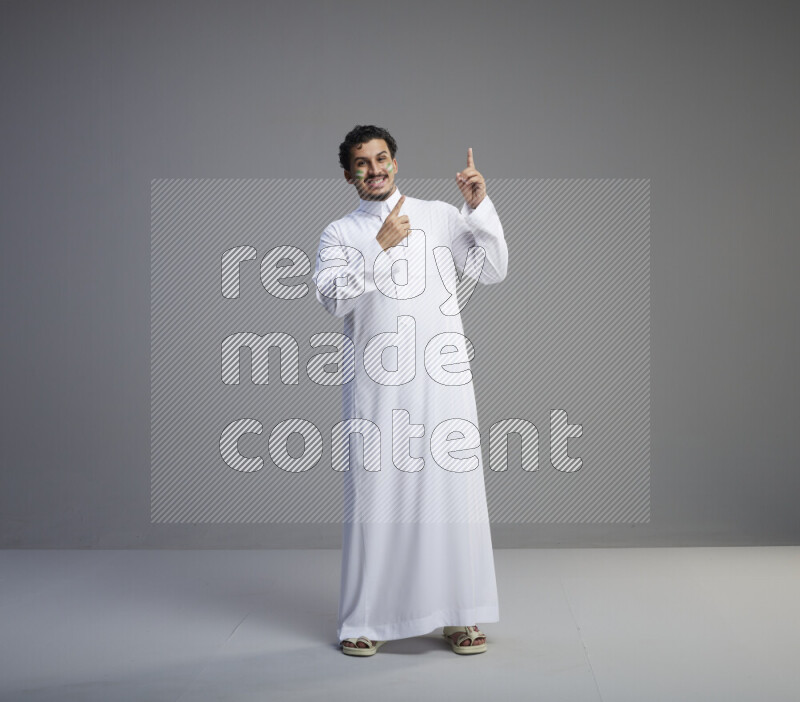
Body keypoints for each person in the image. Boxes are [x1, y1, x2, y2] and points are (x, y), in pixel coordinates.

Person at [312, 125, 508, 656]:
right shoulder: (340, 233)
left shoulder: (440, 215)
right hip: (377, 386)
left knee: (450, 495)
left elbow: (491, 270)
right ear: (348, 173)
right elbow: (333, 299)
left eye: (381, 159)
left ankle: (460, 615)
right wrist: (378, 248)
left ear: (395, 162)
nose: (373, 170)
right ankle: (364, 619)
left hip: (443, 380)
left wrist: (478, 208)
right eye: (361, 163)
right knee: (377, 498)